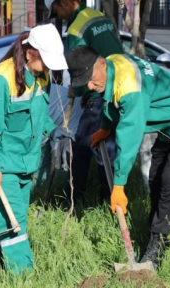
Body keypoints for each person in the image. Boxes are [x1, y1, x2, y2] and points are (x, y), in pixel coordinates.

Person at [66, 45, 170, 267]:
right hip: (168, 122)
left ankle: (159, 243)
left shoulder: (129, 86)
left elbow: (128, 139)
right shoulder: (113, 63)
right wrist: (105, 127)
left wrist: (119, 185)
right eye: (84, 82)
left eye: (91, 78)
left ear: (101, 64)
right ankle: (154, 229)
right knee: (155, 178)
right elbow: (111, 100)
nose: (89, 85)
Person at [0, 24, 71, 274]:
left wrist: (53, 130)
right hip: (2, 164)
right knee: (13, 224)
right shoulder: (2, 79)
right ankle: (26, 278)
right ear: (30, 53)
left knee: (9, 218)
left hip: (25, 162)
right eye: (46, 61)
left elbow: (39, 116)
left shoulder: (40, 76)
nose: (49, 68)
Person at [45, 0, 123, 201]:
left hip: (100, 90)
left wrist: (78, 90)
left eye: (57, 11)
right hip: (119, 85)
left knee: (82, 145)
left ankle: (73, 197)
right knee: (108, 145)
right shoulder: (96, 15)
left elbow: (81, 65)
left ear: (65, 3)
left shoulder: (76, 28)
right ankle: (108, 198)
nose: (60, 17)